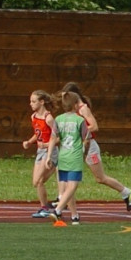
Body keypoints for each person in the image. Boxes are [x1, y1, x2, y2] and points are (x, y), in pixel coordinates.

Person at [60, 81, 131, 211]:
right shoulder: (73, 110)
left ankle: (127, 192)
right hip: (77, 146)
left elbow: (94, 126)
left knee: (100, 178)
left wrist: (77, 130)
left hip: (89, 146)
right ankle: (63, 202)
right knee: (69, 176)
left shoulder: (83, 108)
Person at [48, 91, 90, 226]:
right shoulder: (80, 120)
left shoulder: (58, 119)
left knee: (67, 187)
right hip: (74, 156)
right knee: (72, 186)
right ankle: (58, 210)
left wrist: (49, 156)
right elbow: (86, 139)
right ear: (75, 105)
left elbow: (53, 138)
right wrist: (85, 153)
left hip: (63, 156)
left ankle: (74, 215)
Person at [20, 89, 57, 218]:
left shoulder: (49, 118)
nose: (31, 104)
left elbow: (58, 137)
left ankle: (45, 207)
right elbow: (38, 133)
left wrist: (47, 145)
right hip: (40, 151)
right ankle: (46, 207)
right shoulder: (34, 117)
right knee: (37, 182)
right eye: (30, 101)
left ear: (42, 102)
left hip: (49, 151)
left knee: (38, 181)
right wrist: (29, 142)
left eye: (33, 101)